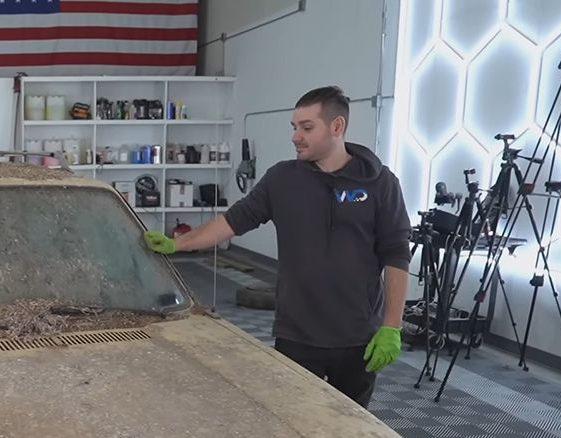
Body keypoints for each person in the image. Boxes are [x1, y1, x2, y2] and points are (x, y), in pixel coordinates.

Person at [144, 86, 410, 409]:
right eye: (294, 127)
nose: (296, 137)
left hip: (358, 337)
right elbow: (230, 222)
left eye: (307, 127)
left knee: (351, 426)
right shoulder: (282, 180)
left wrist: (391, 327)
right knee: (293, 421)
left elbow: (396, 254)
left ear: (337, 126)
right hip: (297, 334)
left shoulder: (381, 184)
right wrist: (178, 243)